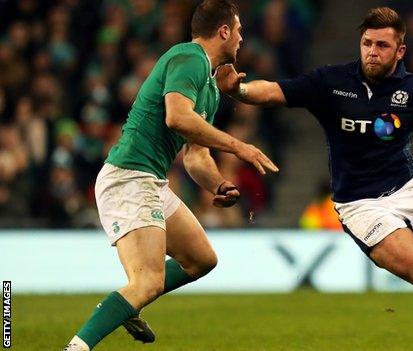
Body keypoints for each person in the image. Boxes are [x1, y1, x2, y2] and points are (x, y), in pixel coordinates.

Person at [217, 7, 413, 351]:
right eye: (367, 43)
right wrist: (239, 91)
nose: (372, 52)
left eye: (381, 45)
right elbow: (274, 91)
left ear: (400, 51)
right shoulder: (331, 83)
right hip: (360, 205)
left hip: (410, 190)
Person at [63, 1, 278, 350]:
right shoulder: (189, 58)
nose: (241, 37)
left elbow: (195, 155)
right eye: (238, 29)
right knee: (148, 281)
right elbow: (176, 118)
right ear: (223, 31)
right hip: (129, 176)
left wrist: (218, 183)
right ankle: (78, 345)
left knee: (201, 260)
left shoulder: (208, 87)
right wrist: (239, 147)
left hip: (151, 180)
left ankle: (126, 303)